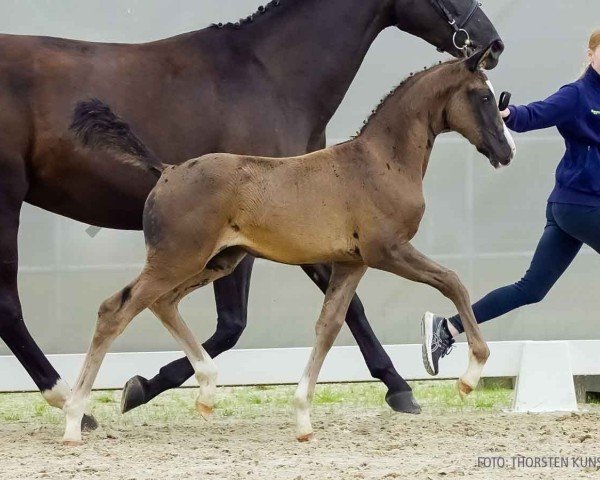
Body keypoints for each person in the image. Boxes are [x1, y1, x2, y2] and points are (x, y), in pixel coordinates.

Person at [421, 29, 600, 375]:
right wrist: (508, 115)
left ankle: (448, 328)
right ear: (590, 53)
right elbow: (536, 113)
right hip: (581, 205)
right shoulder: (577, 95)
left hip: (570, 210)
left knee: (530, 289)